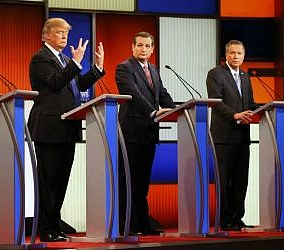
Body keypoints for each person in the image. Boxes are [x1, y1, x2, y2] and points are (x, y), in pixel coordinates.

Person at [27, 18, 105, 242]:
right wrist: (76, 62)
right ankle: (45, 228)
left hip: (68, 127)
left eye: (66, 33)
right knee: (48, 181)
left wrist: (97, 68)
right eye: (59, 33)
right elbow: (55, 83)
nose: (64, 37)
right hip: (49, 127)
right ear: (45, 35)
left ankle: (55, 225)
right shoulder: (41, 58)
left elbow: (77, 84)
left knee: (61, 181)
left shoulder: (63, 59)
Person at [115, 31, 175, 236]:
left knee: (142, 184)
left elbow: (162, 94)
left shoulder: (154, 69)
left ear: (152, 49)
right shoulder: (124, 68)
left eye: (147, 46)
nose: (143, 49)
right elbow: (133, 95)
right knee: (128, 182)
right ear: (133, 47)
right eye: (139, 45)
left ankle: (143, 224)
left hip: (148, 133)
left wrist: (177, 109)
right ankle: (127, 226)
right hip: (131, 133)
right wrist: (154, 111)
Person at [206, 40, 259, 231]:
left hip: (243, 136)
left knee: (240, 179)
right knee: (225, 179)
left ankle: (238, 217)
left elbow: (250, 103)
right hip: (224, 136)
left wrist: (264, 110)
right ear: (226, 55)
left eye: (239, 53)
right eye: (232, 53)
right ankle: (224, 219)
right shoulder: (216, 74)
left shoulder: (245, 76)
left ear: (244, 56)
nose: (236, 56)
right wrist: (234, 115)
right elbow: (216, 102)